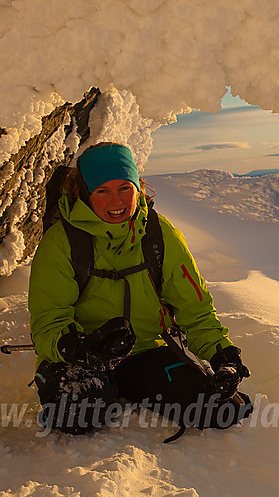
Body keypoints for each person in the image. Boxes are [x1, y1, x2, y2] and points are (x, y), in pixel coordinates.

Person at [28, 142, 252, 437]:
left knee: (224, 409)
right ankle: (80, 386)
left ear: (138, 186)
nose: (116, 201)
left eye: (125, 188)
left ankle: (128, 386)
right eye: (102, 191)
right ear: (84, 193)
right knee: (77, 413)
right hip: (81, 354)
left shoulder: (160, 235)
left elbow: (195, 309)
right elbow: (48, 321)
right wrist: (76, 348)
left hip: (146, 350)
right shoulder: (61, 243)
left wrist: (223, 356)